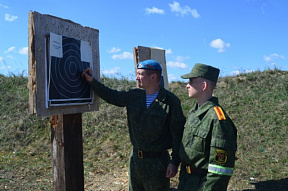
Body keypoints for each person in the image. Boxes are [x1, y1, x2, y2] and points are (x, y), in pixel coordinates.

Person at [82, 59, 186, 191]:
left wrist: (174, 162)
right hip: (136, 160)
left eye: (140, 74)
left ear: (153, 77)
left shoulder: (170, 101)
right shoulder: (134, 96)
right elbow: (111, 95)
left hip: (158, 163)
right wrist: (92, 81)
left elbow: (178, 134)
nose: (136, 77)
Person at [178, 63, 237, 191]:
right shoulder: (194, 113)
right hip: (186, 180)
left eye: (192, 81)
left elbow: (220, 169)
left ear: (204, 86)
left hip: (202, 185)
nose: (187, 85)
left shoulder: (217, 119)